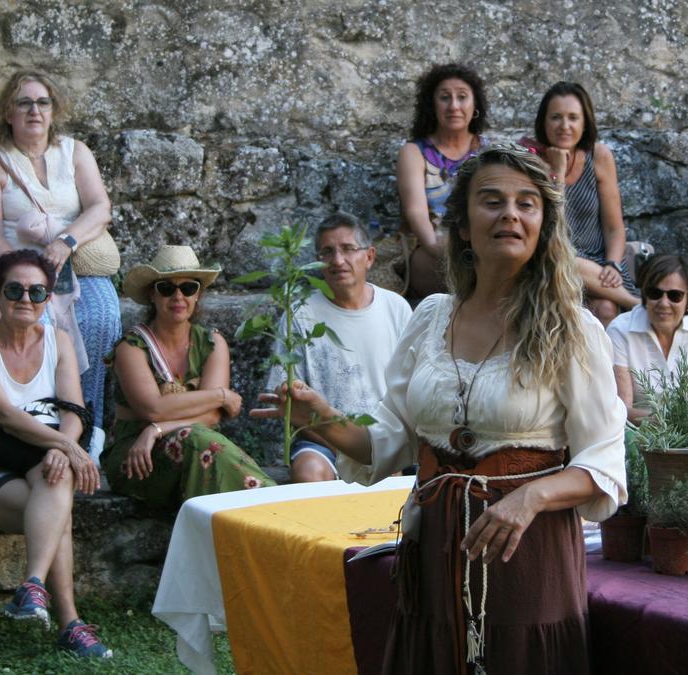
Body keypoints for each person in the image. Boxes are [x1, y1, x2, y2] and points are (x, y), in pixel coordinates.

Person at [254, 144, 626, 673]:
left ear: (544, 225)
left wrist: (531, 497)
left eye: (527, 203)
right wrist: (322, 419)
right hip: (433, 544)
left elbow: (604, 465)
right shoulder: (430, 317)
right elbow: (386, 440)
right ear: (464, 225)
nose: (510, 214)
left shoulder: (572, 330)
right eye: (492, 201)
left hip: (524, 550)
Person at [0, 249, 110, 658]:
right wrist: (67, 448)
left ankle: (33, 588)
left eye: (37, 291)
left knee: (54, 484)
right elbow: (3, 415)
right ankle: (69, 623)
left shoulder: (58, 341)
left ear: (48, 298)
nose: (26, 299)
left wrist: (66, 447)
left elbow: (74, 409)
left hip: (43, 461)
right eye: (15, 290)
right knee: (59, 505)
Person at [0, 70, 120, 459]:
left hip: (73, 266)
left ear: (53, 111)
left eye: (42, 102)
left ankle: (90, 426)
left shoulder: (74, 151)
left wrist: (66, 243)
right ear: (8, 112)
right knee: (42, 323)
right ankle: (45, 431)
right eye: (24, 103)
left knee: (102, 317)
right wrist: (26, 272)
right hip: (13, 269)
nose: (34, 110)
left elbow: (100, 208)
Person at [104, 245, 274, 507]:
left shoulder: (212, 343)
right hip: (138, 454)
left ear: (198, 295)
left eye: (188, 288)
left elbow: (212, 416)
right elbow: (154, 408)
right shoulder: (131, 348)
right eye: (167, 288)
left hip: (192, 443)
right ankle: (270, 504)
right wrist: (220, 395)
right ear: (152, 294)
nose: (178, 296)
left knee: (196, 439)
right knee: (198, 442)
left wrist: (158, 429)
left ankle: (259, 512)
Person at [264, 212, 412, 482]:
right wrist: (345, 448)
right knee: (309, 471)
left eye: (348, 249)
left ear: (369, 256)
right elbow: (290, 406)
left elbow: (414, 389)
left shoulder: (396, 308)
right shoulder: (299, 313)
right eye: (327, 252)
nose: (338, 260)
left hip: (386, 438)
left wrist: (380, 450)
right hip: (322, 438)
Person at [527, 81, 638, 324]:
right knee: (561, 258)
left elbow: (614, 227)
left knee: (606, 310)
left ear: (584, 122)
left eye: (573, 118)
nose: (564, 126)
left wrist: (613, 264)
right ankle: (639, 305)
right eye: (556, 117)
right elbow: (550, 227)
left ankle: (610, 361)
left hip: (598, 265)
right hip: (550, 261)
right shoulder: (530, 160)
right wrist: (557, 171)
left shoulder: (599, 156)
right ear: (543, 122)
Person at [395, 63, 487, 300]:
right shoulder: (414, 152)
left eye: (462, 97)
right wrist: (455, 254)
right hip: (433, 251)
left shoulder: (489, 151)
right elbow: (416, 215)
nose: (454, 106)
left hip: (483, 246)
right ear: (432, 105)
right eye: (445, 97)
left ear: (475, 104)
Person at [607, 254, 688, 422]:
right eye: (654, 293)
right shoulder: (620, 330)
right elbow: (622, 411)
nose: (663, 303)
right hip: (637, 428)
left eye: (675, 295)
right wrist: (674, 419)